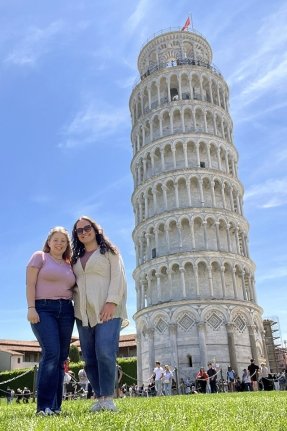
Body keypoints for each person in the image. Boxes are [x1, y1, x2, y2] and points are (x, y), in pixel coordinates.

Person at [71, 216, 128, 412]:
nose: (84, 232)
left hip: (107, 310)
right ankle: (99, 397)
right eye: (79, 230)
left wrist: (111, 302)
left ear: (95, 230)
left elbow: (118, 277)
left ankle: (108, 397)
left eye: (87, 228)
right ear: (76, 235)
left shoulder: (109, 252)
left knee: (105, 352)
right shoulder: (75, 259)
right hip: (83, 314)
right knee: (89, 358)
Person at [26, 226, 75, 416]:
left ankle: (56, 406)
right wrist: (31, 308)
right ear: (49, 242)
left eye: (63, 241)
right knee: (51, 353)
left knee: (61, 358)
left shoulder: (69, 263)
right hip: (43, 308)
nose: (59, 243)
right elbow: (30, 283)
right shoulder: (40, 257)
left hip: (66, 310)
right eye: (56, 239)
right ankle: (43, 406)